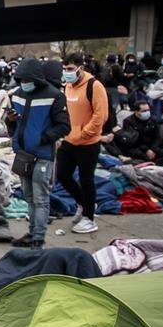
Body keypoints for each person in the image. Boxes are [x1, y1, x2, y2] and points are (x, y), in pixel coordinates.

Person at [6, 58, 71, 250]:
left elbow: (65, 126)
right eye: (21, 80)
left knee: (40, 198)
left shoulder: (54, 96)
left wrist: (43, 138)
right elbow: (14, 125)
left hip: (42, 154)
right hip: (23, 153)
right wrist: (10, 120)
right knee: (29, 197)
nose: (24, 83)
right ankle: (32, 232)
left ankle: (38, 237)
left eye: (27, 79)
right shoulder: (17, 95)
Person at [57, 53, 108, 235]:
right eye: (64, 69)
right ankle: (83, 202)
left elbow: (100, 116)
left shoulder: (95, 86)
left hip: (88, 143)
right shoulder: (68, 86)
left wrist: (84, 133)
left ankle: (89, 218)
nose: (67, 72)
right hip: (69, 140)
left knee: (87, 180)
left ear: (81, 68)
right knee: (62, 174)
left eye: (70, 69)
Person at [106, 101, 163, 165]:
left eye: (148, 110)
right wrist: (146, 150)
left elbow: (157, 136)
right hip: (136, 147)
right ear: (136, 111)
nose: (147, 112)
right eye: (144, 111)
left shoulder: (152, 120)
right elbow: (133, 140)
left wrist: (152, 149)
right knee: (146, 158)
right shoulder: (128, 122)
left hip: (150, 146)